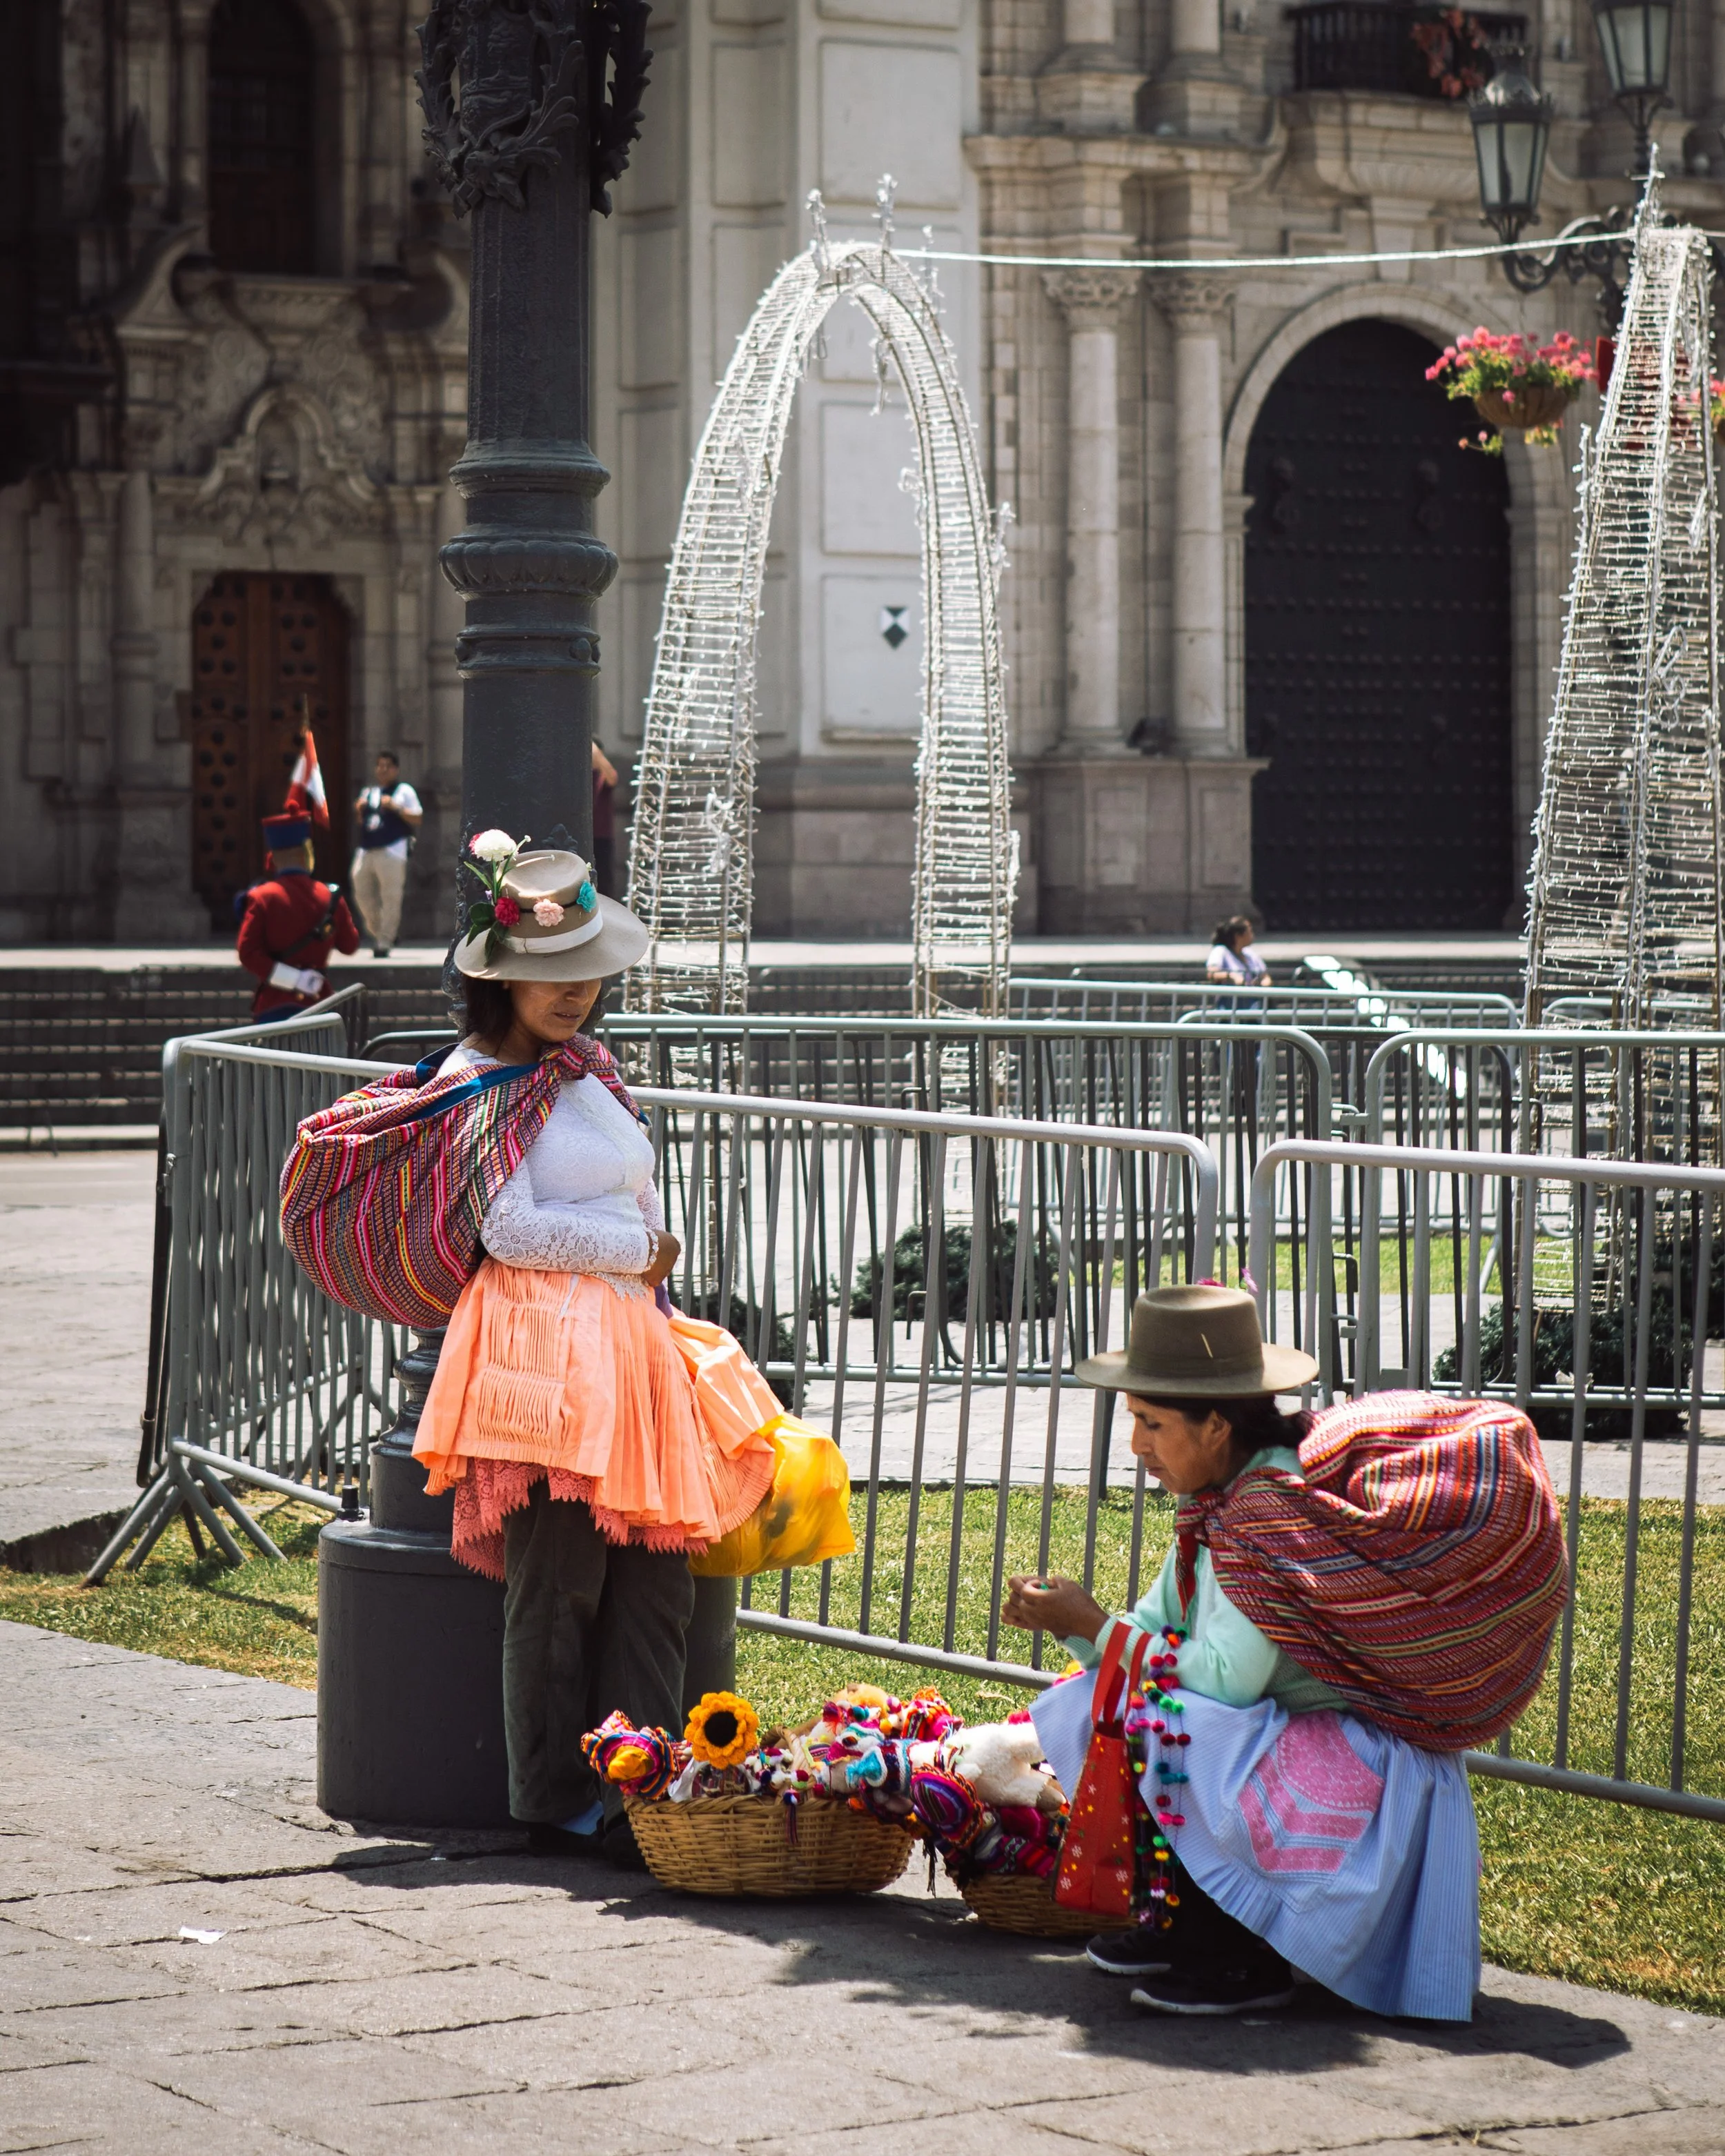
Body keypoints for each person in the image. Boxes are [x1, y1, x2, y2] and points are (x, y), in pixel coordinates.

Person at [411, 842, 779, 1864]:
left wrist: (655, 1285)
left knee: (655, 1580)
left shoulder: (589, 1070)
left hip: (625, 1347)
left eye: (587, 970)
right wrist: (637, 1252)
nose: (574, 991)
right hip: (535, 1356)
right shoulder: (477, 1082)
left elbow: (629, 1189)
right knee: (559, 1577)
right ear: (502, 979)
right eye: (550, 973)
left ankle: (644, 1788)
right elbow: (507, 1226)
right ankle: (554, 1796)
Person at [1006, 1285, 1502, 2024]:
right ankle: (1177, 1922)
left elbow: (1231, 1682)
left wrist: (1096, 1625)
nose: (1136, 1445)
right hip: (1292, 1733)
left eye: (1151, 1423)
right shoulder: (1220, 1501)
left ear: (1214, 1425)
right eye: (1133, 1420)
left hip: (1367, 1757)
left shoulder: (1265, 1514)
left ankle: (1238, 1951)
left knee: (1182, 1724)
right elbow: (1153, 1624)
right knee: (1096, 1698)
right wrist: (1072, 1625)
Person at [236, 809, 361, 1022]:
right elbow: (350, 945)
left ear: (273, 857)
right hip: (319, 1003)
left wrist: (290, 979)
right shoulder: (330, 896)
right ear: (306, 852)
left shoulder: (261, 897)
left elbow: (247, 952)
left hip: (274, 1005)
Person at [351, 751, 422, 956]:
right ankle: (381, 931)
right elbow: (362, 822)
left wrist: (396, 807)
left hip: (393, 849)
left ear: (396, 769)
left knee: (391, 897)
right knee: (362, 894)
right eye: (379, 765)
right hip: (367, 849)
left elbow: (417, 818)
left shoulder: (403, 791)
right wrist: (358, 810)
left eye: (387, 766)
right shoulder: (368, 792)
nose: (383, 770)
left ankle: (384, 941)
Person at [1206, 914, 1269, 1007]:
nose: (1252, 935)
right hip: (1229, 1006)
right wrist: (1231, 976)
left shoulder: (1250, 954)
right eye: (1250, 931)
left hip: (1253, 1005)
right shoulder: (1221, 951)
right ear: (1238, 936)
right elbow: (1212, 973)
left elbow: (1265, 976)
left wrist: (1263, 984)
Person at [591, 738, 620, 898]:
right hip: (583, 835)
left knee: (604, 882)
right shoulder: (581, 774)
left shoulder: (603, 774)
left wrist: (597, 753)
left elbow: (613, 779)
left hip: (602, 837)